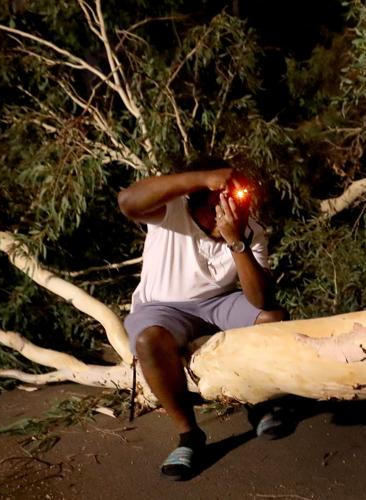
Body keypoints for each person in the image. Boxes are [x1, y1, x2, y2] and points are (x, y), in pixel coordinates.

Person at [117, 159, 287, 480]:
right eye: (220, 200)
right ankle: (189, 435)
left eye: (239, 198)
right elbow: (126, 201)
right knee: (148, 340)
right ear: (197, 198)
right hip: (163, 307)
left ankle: (260, 402)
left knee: (271, 318)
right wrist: (202, 178)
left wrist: (237, 242)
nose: (234, 206)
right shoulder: (171, 212)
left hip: (216, 304)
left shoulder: (249, 229)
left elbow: (262, 300)